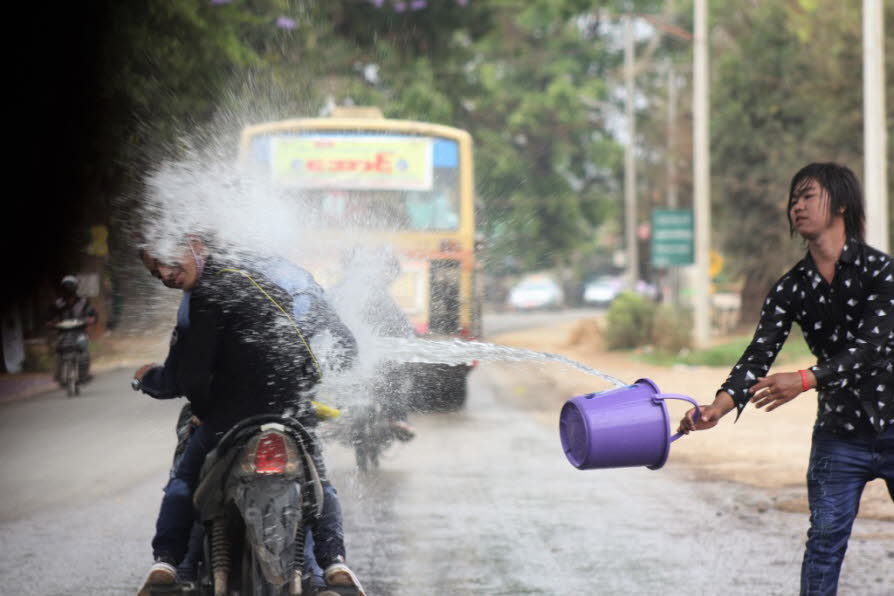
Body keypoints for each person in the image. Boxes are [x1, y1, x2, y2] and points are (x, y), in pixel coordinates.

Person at [677, 162, 893, 595]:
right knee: (825, 544)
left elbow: (873, 349)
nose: (797, 206)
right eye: (794, 198)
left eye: (808, 195)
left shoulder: (881, 272)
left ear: (842, 204)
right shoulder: (790, 288)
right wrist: (717, 408)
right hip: (839, 435)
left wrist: (805, 379)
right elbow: (758, 353)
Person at [135, 237, 365, 596]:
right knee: (318, 480)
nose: (164, 274)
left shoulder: (206, 295)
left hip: (233, 414)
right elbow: (326, 351)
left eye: (167, 262)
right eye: (155, 272)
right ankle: (334, 563)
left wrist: (201, 410)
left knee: (184, 479)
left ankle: (168, 562)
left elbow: (190, 376)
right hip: (292, 408)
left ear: (196, 247)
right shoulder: (279, 283)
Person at [329, 245, 417, 442]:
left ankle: (334, 416)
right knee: (395, 374)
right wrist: (411, 343)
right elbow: (400, 324)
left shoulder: (337, 290)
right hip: (375, 352)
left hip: (347, 352)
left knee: (334, 376)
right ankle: (397, 418)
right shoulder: (379, 293)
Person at [47, 275, 97, 383]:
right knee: (57, 351)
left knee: (84, 353)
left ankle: (84, 374)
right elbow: (49, 316)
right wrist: (51, 322)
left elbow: (93, 314)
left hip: (79, 332)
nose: (68, 289)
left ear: (75, 287)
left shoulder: (83, 302)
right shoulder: (58, 303)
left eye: (70, 286)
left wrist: (91, 319)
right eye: (66, 287)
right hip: (63, 333)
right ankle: (58, 375)